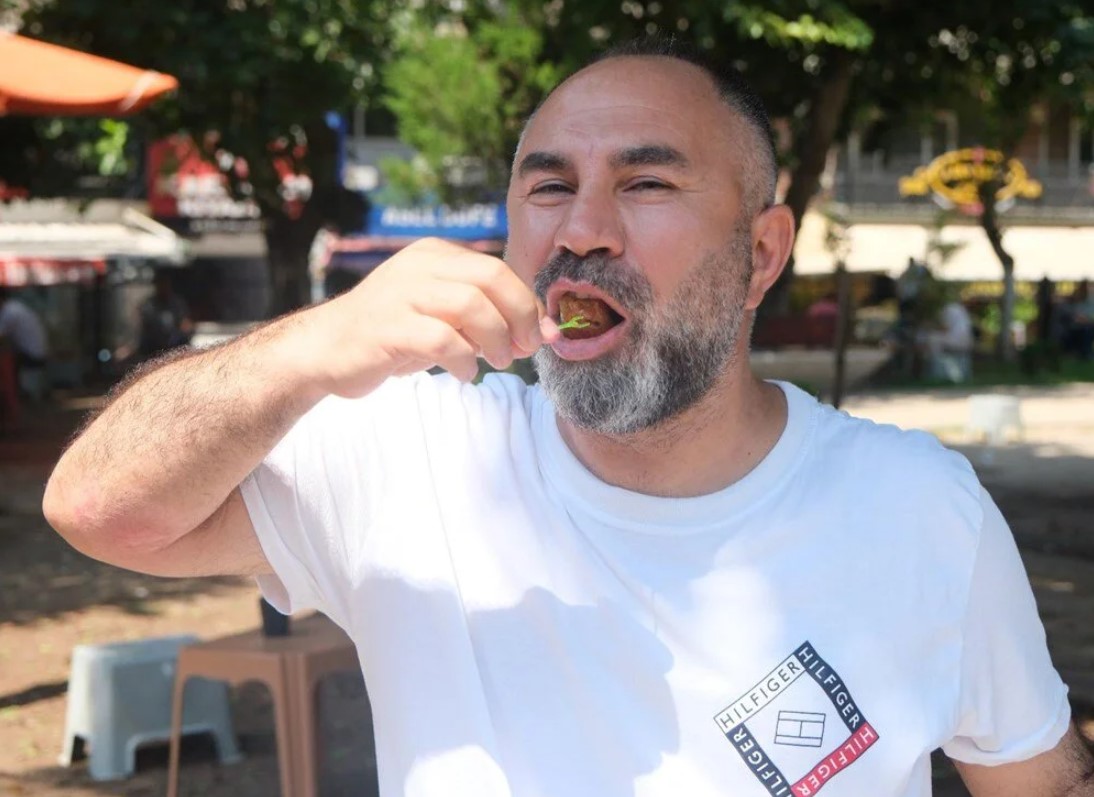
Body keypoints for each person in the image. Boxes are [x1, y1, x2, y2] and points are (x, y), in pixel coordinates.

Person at [43, 38, 1093, 797]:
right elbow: (100, 505)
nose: (581, 229)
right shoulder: (416, 448)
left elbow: (1034, 778)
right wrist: (309, 346)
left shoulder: (915, 506)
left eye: (644, 181)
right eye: (548, 188)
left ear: (761, 255)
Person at [0, 286, 49, 399]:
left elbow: (1, 337)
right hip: (36, 353)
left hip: (31, 355)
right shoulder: (15, 307)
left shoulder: (9, 312)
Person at [136, 270, 193, 359]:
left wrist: (181, 332)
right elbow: (146, 326)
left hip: (174, 343)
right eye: (160, 284)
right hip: (154, 345)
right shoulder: (149, 305)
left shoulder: (177, 303)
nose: (163, 287)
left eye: (165, 284)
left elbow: (185, 323)